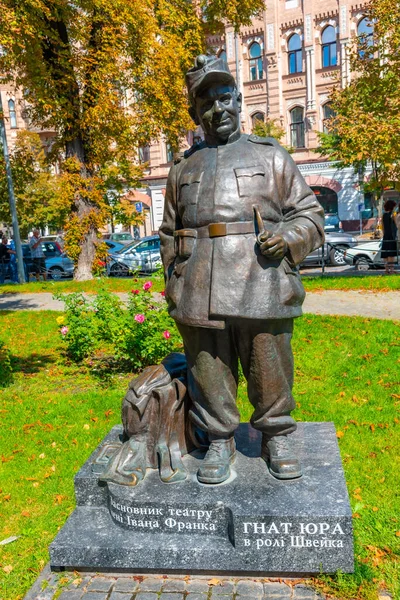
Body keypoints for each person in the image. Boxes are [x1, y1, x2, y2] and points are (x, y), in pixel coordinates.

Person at [160, 55, 324, 484]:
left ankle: (276, 433)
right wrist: (173, 283)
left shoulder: (271, 156)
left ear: (238, 97)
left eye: (226, 97)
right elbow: (168, 232)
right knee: (207, 366)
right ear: (196, 112)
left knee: (268, 361)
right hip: (197, 282)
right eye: (208, 102)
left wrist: (288, 239)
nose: (220, 109)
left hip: (261, 278)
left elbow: (308, 215)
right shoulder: (182, 168)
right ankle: (218, 438)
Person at [381, 200, 398, 274]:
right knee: (391, 254)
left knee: (386, 254)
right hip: (392, 236)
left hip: (386, 236)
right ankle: (391, 270)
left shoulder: (383, 215)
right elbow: (397, 225)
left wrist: (384, 234)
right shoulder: (393, 215)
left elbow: (383, 227)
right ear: (392, 207)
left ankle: (386, 270)